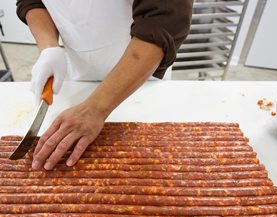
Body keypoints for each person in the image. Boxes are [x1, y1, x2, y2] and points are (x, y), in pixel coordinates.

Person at [16, 0, 193, 170]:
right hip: (81, 76)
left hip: (141, 77)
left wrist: (94, 109)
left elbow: (164, 19)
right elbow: (32, 2)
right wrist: (49, 47)